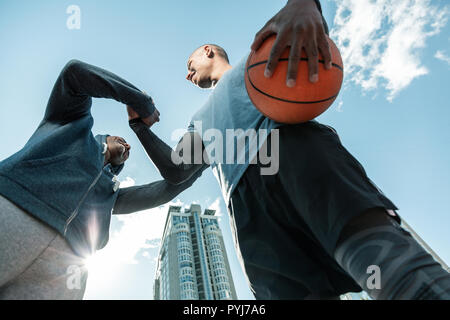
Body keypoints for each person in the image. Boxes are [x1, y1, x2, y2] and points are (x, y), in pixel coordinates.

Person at [128, 0, 450, 299]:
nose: (187, 73)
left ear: (209, 51)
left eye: (190, 62)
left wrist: (305, 3)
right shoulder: (197, 122)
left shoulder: (257, 61)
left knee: (385, 264)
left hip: (294, 155)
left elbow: (304, 24)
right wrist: (140, 128)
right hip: (247, 211)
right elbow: (174, 170)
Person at [0, 59, 202, 300]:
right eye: (120, 138)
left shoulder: (111, 196)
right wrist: (141, 102)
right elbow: (74, 74)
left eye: (128, 147)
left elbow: (165, 190)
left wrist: (200, 163)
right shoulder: (71, 124)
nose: (127, 145)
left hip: (67, 263)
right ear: (104, 138)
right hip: (15, 211)